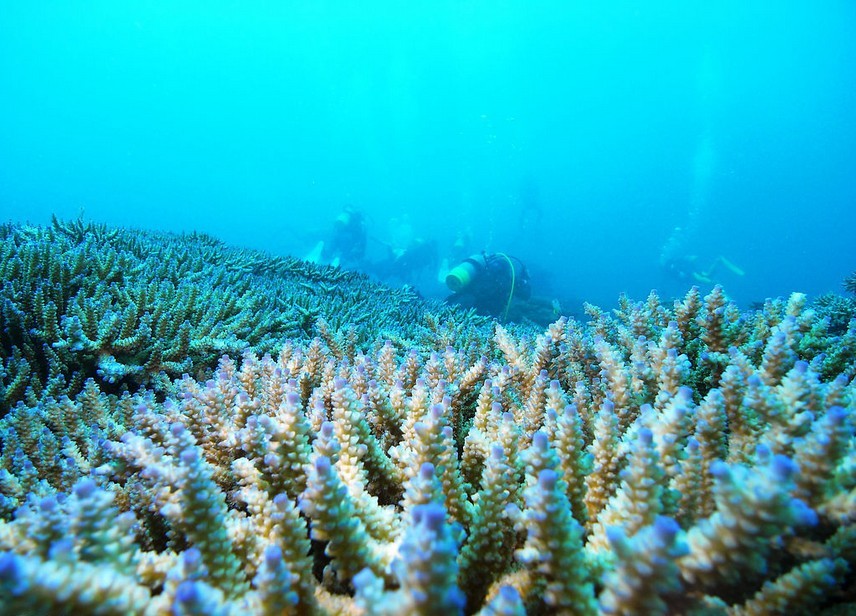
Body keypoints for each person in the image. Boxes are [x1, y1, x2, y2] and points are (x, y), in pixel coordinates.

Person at [445, 252, 531, 320]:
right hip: (487, 311)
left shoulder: (481, 271)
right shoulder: (506, 279)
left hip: (468, 301)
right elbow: (525, 295)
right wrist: (524, 279)